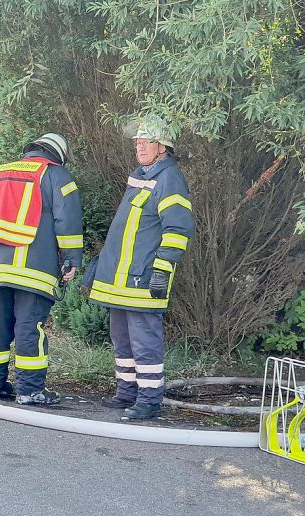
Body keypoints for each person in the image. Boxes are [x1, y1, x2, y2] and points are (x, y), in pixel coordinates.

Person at [86, 116, 194, 420]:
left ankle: (148, 399)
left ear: (163, 147)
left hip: (144, 278)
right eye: (137, 142)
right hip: (121, 281)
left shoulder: (169, 179)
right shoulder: (142, 176)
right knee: (121, 337)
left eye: (146, 141)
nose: (139, 146)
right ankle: (127, 392)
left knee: (145, 340)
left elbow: (178, 228)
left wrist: (162, 270)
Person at [0, 133, 83, 405]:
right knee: (30, 328)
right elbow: (67, 220)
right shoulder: (57, 176)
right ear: (59, 155)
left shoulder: (0, 174)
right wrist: (71, 259)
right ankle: (30, 391)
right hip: (34, 270)